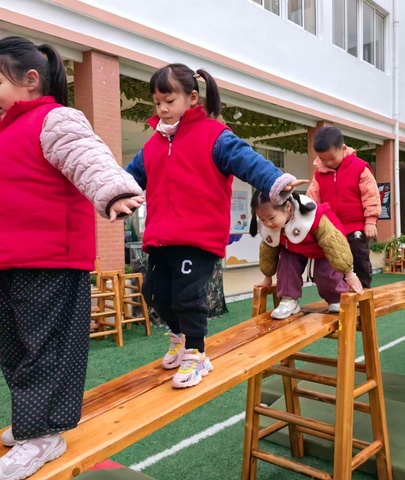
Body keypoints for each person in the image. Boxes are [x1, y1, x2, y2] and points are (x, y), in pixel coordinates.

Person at [0, 36, 144, 480]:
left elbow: (89, 158)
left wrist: (115, 191)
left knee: (44, 351)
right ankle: (32, 422)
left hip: (52, 259)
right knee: (13, 349)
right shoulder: (4, 130)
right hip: (10, 259)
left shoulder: (55, 119)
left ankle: (41, 433)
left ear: (29, 80)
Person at [125, 63, 307, 389]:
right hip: (161, 238)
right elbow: (127, 180)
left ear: (192, 98)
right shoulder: (153, 145)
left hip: (197, 238)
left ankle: (197, 354)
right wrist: (106, 194)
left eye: (169, 100)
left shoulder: (215, 137)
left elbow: (247, 161)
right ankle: (180, 338)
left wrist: (277, 181)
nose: (162, 109)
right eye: (157, 103)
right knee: (153, 293)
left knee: (187, 297)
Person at [250, 191, 364, 319]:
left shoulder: (313, 217)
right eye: (262, 219)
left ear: (288, 207)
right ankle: (289, 300)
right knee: (287, 263)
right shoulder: (270, 226)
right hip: (293, 247)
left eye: (271, 218)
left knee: (325, 274)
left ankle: (336, 298)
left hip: (323, 248)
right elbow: (268, 249)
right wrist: (268, 276)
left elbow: (334, 244)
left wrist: (349, 274)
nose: (268, 224)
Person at [306, 126, 381, 288]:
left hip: (356, 226)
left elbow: (371, 195)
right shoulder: (319, 174)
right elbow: (312, 200)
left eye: (331, 158)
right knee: (333, 260)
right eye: (323, 159)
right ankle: (337, 294)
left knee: (358, 256)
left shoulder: (360, 168)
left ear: (343, 148)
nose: (327, 163)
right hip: (332, 228)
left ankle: (363, 290)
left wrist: (371, 220)